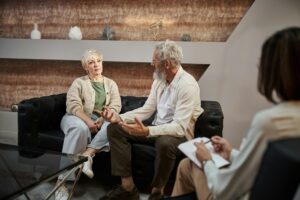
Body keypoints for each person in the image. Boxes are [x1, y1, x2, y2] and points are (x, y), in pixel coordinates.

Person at [171, 27, 300, 200]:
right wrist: (231, 152)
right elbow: (265, 164)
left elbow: (225, 191)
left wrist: (207, 160)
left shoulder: (271, 122)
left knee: (192, 163)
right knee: (186, 164)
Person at [100, 40, 203, 200]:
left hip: (178, 136)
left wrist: (147, 131)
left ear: (167, 64)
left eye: (154, 60)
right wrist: (118, 117)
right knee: (114, 128)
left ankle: (157, 192)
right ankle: (128, 188)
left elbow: (179, 127)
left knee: (165, 143)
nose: (151, 63)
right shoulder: (159, 81)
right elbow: (146, 109)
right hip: (157, 129)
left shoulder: (188, 85)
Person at [55, 49, 121, 200]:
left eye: (98, 61)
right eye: (91, 62)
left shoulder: (111, 84)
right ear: (86, 67)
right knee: (79, 128)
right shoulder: (79, 82)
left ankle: (87, 157)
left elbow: (116, 106)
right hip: (76, 117)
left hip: (100, 120)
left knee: (114, 126)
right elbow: (73, 105)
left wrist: (103, 119)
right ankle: (61, 183)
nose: (96, 65)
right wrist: (88, 121)